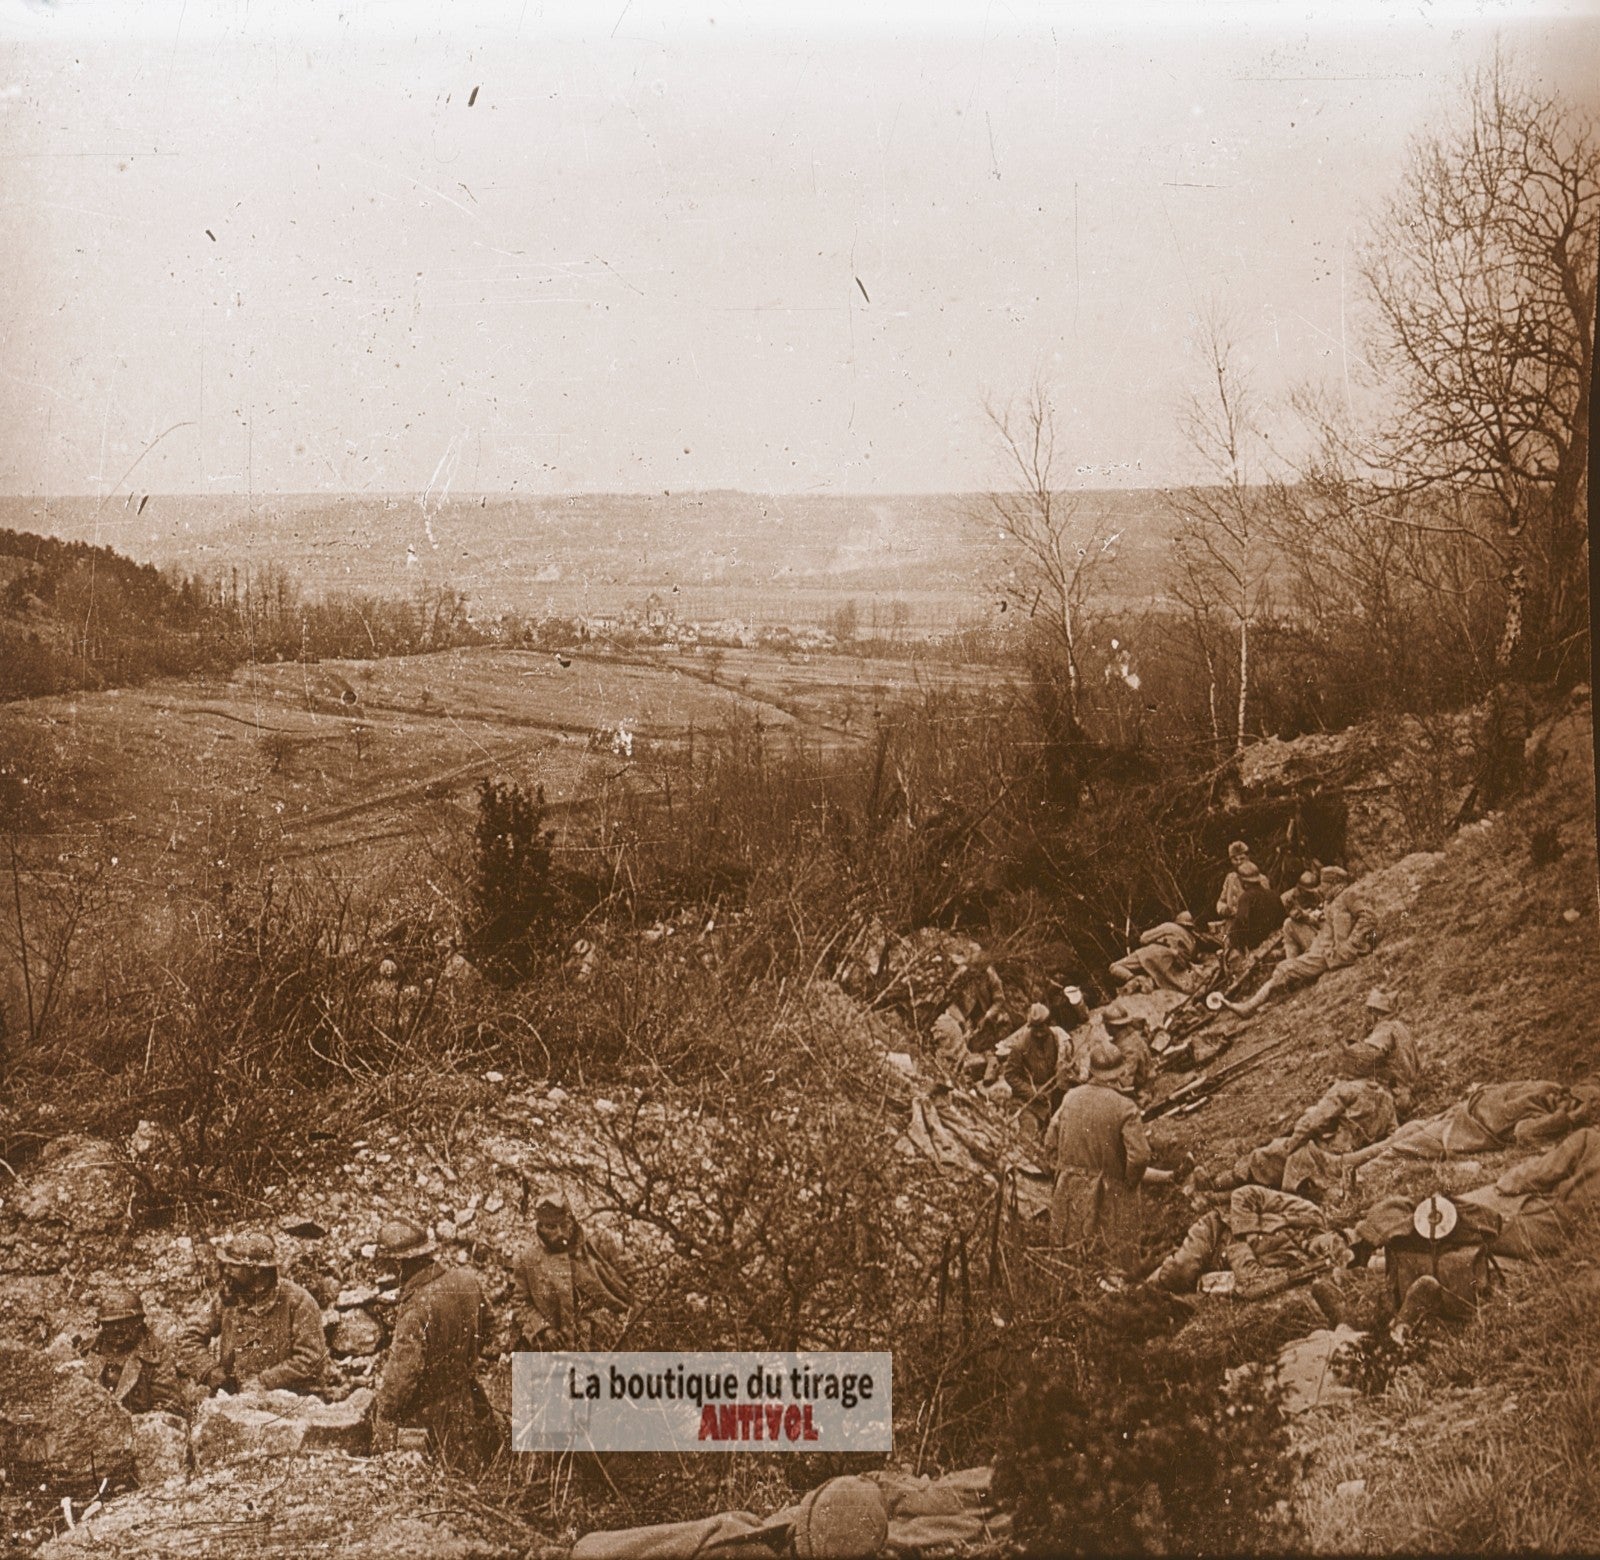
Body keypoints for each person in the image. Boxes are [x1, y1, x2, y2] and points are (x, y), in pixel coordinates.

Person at [372, 1218, 495, 1470]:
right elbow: (489, 1328)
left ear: (399, 1263)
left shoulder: (417, 1308)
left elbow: (403, 1375)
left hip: (432, 1417)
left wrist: (384, 1415)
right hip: (469, 1398)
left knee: (444, 1481)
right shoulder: (466, 1280)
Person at [1041, 1043, 1152, 1272]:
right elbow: (1140, 1157)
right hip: (1110, 1192)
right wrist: (1128, 1182)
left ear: (1091, 1071)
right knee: (1113, 1261)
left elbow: (1050, 1141)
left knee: (1069, 1257)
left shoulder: (1070, 1097)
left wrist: (1061, 1170)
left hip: (1069, 1188)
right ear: (1120, 1073)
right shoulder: (1125, 1107)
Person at [180, 1232, 329, 1396]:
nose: (227, 1271)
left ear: (256, 1269)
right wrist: (209, 1370)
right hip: (234, 1401)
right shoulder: (228, 1297)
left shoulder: (299, 1302)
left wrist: (264, 1381)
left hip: (287, 1401)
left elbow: (311, 1360)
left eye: (234, 1265)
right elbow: (189, 1336)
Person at [1221, 865, 1375, 1017]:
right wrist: (1307, 918)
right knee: (1289, 924)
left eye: (1324, 884)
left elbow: (1369, 917)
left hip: (1331, 953)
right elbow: (1330, 926)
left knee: (1284, 968)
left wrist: (1351, 945)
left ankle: (1249, 1007)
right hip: (1322, 945)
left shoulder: (1348, 896)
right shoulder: (1331, 901)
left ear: (1335, 884)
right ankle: (1294, 971)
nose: (1320, 889)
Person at [1146, 1183, 1350, 1298]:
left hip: (1229, 1259)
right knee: (1179, 1272)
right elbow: (1244, 1194)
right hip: (1217, 1230)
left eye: (1326, 1254)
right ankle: (1138, 1289)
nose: (1319, 1249)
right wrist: (1248, 1234)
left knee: (1187, 1292)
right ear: (1331, 1232)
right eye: (1328, 1243)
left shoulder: (1300, 1265)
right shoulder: (1309, 1213)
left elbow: (1254, 1282)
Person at [512, 1191, 634, 1351]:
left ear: (572, 1221)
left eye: (564, 1225)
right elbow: (521, 1304)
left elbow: (624, 1284)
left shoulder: (595, 1243)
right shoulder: (526, 1259)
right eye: (551, 1227)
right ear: (540, 1226)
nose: (560, 1233)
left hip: (603, 1340)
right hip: (558, 1347)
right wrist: (544, 1329)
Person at [1279, 1078, 1399, 1196]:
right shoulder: (1388, 1103)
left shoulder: (1350, 1088)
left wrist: (1291, 1146)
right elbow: (1393, 1136)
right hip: (1356, 1161)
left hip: (1333, 1156)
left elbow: (1312, 1123)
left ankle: (1289, 1196)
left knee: (1297, 1154)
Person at [84, 1289, 185, 1416]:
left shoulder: (157, 1355)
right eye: (110, 1324)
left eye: (124, 1323)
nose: (117, 1329)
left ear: (139, 1321)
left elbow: (168, 1407)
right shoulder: (89, 1351)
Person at [992, 1003, 1066, 1137]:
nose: (1038, 1033)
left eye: (1042, 1027)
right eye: (1035, 1028)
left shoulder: (1055, 1038)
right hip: (1029, 1100)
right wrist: (1031, 1092)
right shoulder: (1021, 1046)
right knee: (1029, 1131)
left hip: (1052, 1093)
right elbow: (1010, 1075)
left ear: (1049, 1023)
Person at [1341, 989, 1421, 1110]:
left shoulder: (1385, 1028)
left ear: (1375, 1013)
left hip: (1393, 1097)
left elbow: (1368, 1056)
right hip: (1405, 1093)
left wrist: (1347, 1050)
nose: (1365, 1017)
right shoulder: (1399, 1027)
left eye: (1368, 1012)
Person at [1108, 911, 1198, 994]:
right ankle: (1146, 983)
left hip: (1153, 953)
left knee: (1114, 967)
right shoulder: (1193, 941)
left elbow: (1144, 938)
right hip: (1172, 967)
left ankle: (1134, 979)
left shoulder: (1170, 926)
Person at [1215, 841, 1268, 921]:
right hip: (1231, 922)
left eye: (1242, 858)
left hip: (1252, 923)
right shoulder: (1230, 878)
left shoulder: (1261, 879)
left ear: (1248, 858)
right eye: (1235, 859)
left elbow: (1265, 904)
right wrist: (1224, 910)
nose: (1239, 862)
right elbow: (1221, 901)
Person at [1279, 869, 1324, 960]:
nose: (1310, 894)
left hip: (1313, 927)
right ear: (1300, 888)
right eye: (1307, 891)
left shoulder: (1316, 895)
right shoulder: (1286, 898)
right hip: (1294, 931)